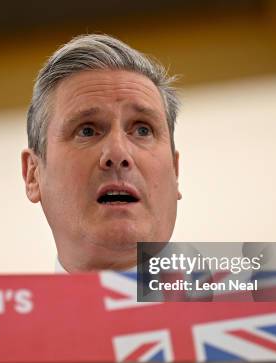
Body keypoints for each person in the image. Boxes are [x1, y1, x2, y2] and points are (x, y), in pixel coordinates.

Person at [21, 34, 182, 273]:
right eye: (87, 130)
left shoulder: (249, 302)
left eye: (142, 129)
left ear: (175, 171)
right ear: (33, 174)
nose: (118, 153)